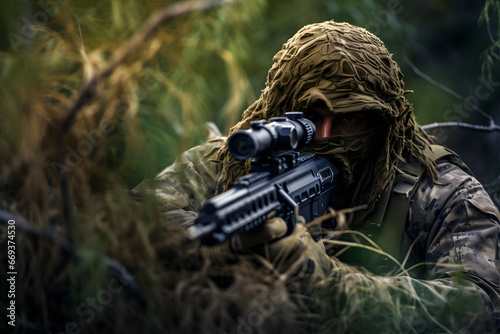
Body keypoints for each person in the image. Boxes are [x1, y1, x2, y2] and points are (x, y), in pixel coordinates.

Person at [133, 21, 500, 332]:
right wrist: (225, 248)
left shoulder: (439, 190)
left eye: (350, 119)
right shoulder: (233, 159)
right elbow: (124, 216)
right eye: (308, 116)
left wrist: (330, 283)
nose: (323, 137)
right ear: (278, 108)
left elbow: (479, 306)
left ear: (382, 123)